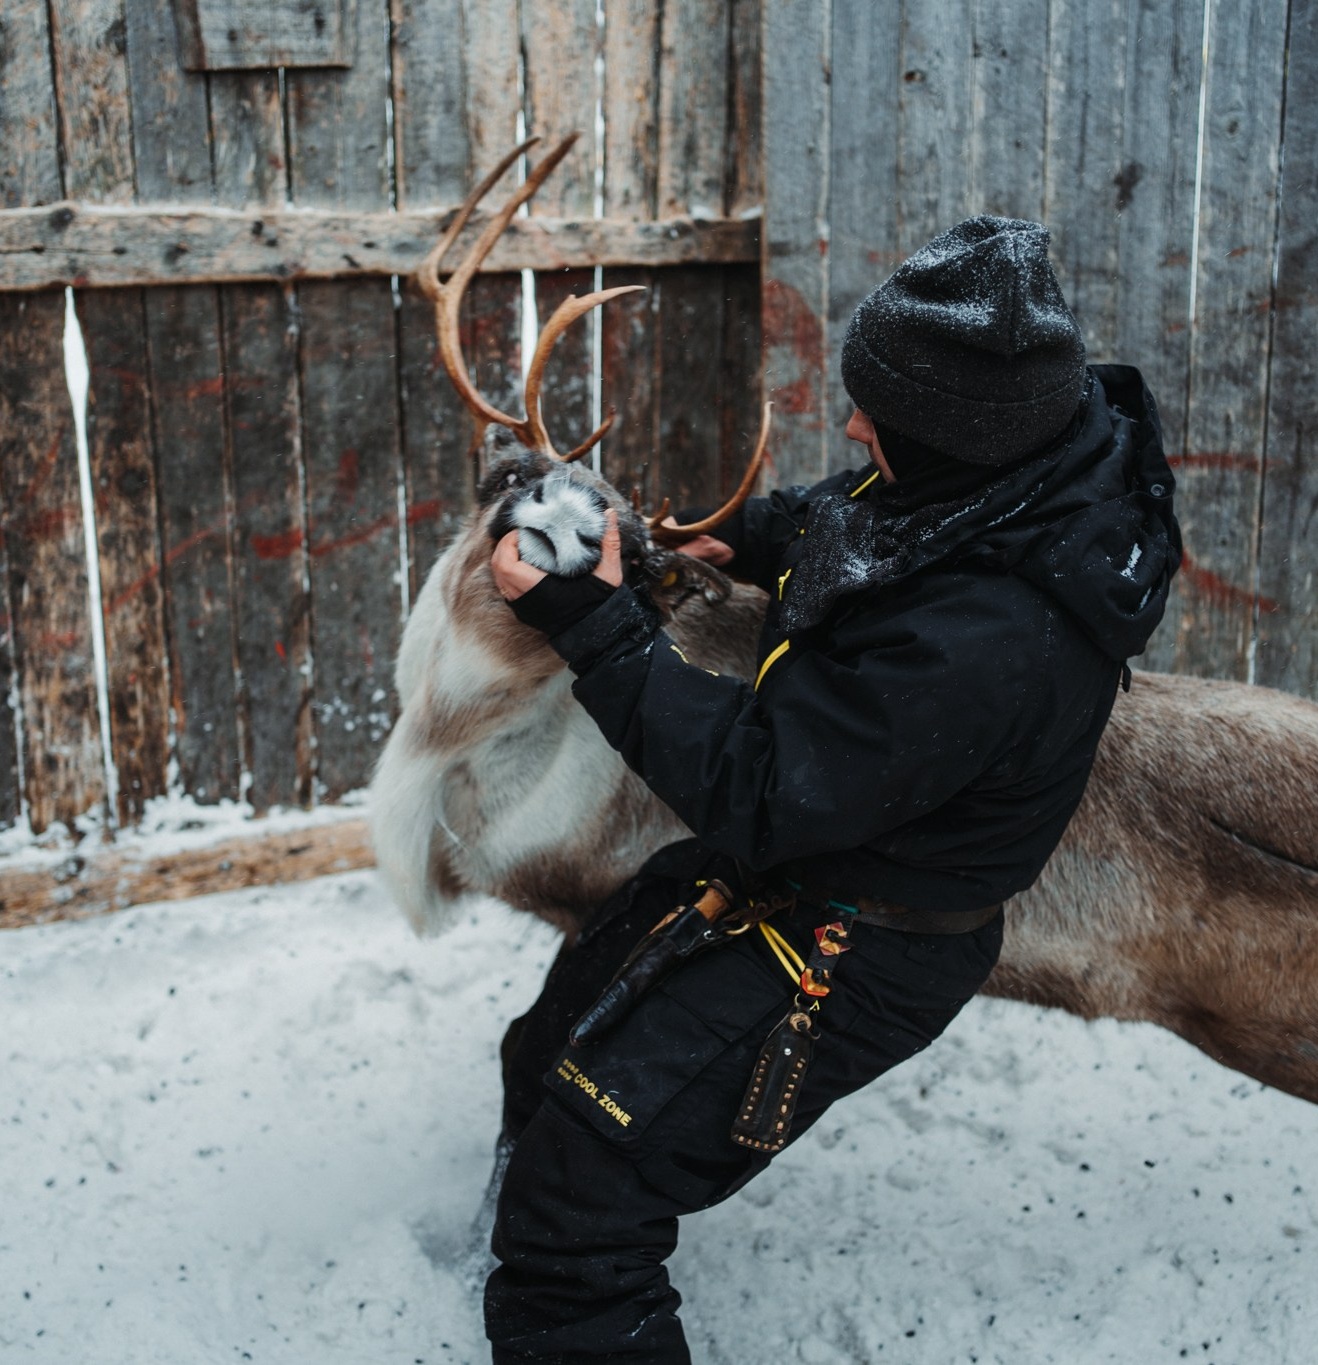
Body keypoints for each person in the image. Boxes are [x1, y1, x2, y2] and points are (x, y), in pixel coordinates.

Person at [479, 216, 1182, 1363]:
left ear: (954, 435)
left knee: (584, 1193)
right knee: (547, 1043)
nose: (852, 426)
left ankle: (559, 1274)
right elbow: (869, 519)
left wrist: (595, 630)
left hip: (857, 940)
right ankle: (516, 1221)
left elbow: (761, 788)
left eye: (877, 415)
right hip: (805, 870)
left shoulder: (993, 639)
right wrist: (742, 535)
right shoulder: (1021, 476)